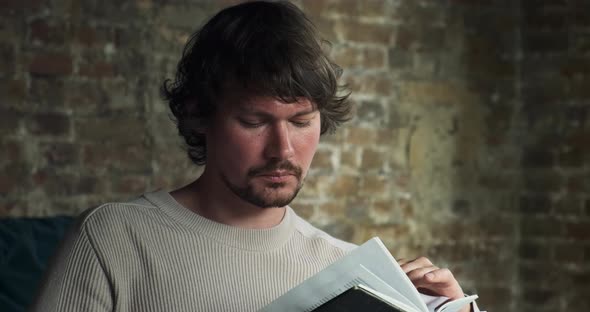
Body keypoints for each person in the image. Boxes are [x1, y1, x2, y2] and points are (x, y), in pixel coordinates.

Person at [32, 1, 482, 311]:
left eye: (301, 121)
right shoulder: (113, 239)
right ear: (201, 116)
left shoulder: (346, 272)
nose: (282, 149)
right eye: (253, 122)